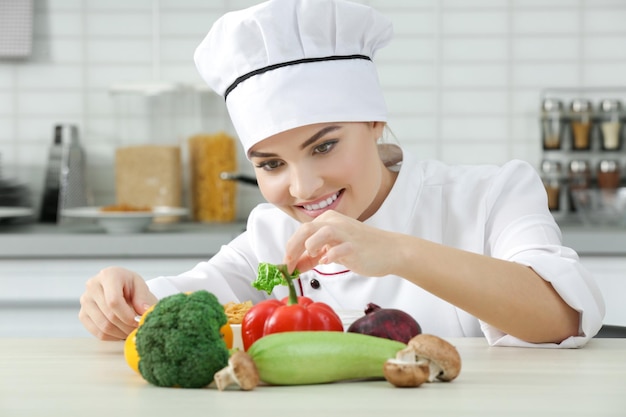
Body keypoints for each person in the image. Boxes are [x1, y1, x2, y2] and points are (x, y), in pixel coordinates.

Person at [79, 0, 605, 347]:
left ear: (374, 120)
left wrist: (397, 251)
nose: (304, 187)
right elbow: (193, 294)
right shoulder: (272, 239)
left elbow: (562, 317)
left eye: (325, 145)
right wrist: (125, 296)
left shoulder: (490, 196)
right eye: (271, 164)